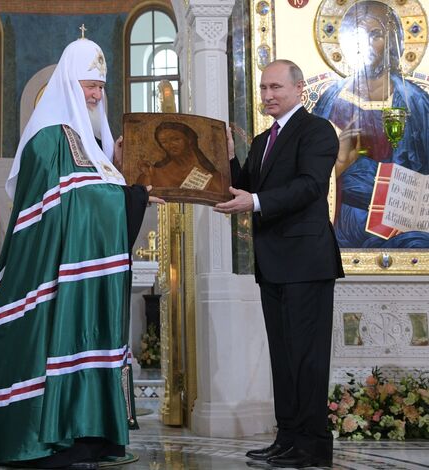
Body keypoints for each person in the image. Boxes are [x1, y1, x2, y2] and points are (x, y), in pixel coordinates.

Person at [0, 37, 161, 468]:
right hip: (53, 278)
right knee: (61, 345)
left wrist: (129, 189)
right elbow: (72, 203)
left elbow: (97, 197)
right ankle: (55, 442)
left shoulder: (95, 147)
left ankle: (96, 439)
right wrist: (131, 195)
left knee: (95, 342)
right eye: (89, 85)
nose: (96, 95)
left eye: (101, 87)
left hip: (90, 275)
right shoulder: (48, 140)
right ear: (68, 83)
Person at [215, 60, 344, 468]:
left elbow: (309, 186)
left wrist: (253, 201)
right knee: (284, 358)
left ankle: (312, 445)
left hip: (307, 262)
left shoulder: (317, 130)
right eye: (263, 88)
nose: (268, 95)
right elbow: (249, 188)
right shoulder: (262, 138)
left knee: (307, 359)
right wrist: (231, 158)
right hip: (273, 263)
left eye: (275, 87)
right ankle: (287, 438)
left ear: (298, 88)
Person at [313, 0, 429, 248]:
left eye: (375, 35)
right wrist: (340, 163)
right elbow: (306, 173)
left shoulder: (416, 102)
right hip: (339, 227)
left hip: (403, 228)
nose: (367, 45)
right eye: (358, 35)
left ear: (394, 41)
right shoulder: (331, 102)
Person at [137, 121, 223, 193]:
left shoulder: (207, 171)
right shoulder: (156, 172)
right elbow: (141, 195)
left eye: (175, 139)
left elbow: (221, 193)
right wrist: (148, 176)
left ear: (189, 140)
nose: (170, 145)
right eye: (164, 142)